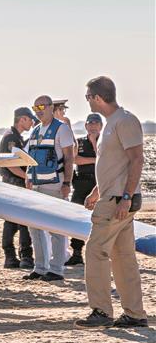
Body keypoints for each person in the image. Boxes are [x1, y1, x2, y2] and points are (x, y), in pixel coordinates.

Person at [75, 76, 148, 328]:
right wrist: (97, 191)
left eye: (87, 97)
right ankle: (135, 314)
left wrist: (126, 197)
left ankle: (101, 311)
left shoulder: (124, 121)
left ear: (97, 97)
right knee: (122, 256)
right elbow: (114, 165)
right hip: (113, 197)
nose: (87, 102)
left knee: (95, 252)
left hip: (119, 200)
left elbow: (137, 160)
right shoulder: (111, 123)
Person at [23, 95, 75, 282]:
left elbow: (69, 158)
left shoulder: (62, 129)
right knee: (35, 228)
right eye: (35, 107)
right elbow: (31, 157)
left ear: (51, 107)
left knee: (56, 227)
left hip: (55, 185)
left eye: (42, 106)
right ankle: (40, 267)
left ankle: (56, 269)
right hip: (36, 186)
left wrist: (67, 183)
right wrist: (29, 177)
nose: (39, 110)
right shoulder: (35, 130)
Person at [0, 107, 38, 269]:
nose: (32, 122)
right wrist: (28, 178)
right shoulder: (11, 138)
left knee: (15, 220)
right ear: (22, 119)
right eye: (30, 119)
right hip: (13, 183)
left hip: (15, 182)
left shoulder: (18, 138)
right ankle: (20, 256)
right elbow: (12, 165)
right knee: (18, 220)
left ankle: (17, 256)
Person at [65, 113, 103, 267]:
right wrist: (95, 160)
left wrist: (94, 143)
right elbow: (75, 159)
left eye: (96, 123)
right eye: (90, 123)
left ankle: (100, 253)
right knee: (77, 217)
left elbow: (105, 158)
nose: (93, 125)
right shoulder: (79, 142)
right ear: (86, 126)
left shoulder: (105, 142)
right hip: (81, 184)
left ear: (101, 126)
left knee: (100, 219)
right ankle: (76, 253)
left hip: (98, 184)